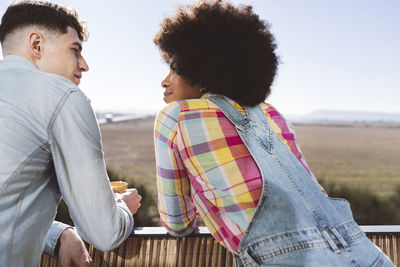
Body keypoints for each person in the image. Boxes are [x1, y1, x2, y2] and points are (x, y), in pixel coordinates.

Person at [153, 1, 394, 266]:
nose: (165, 80)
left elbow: (178, 224)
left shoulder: (177, 117)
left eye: (175, 67)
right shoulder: (273, 115)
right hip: (366, 254)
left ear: (202, 70)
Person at [0, 1, 142, 266]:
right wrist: (122, 206)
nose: (84, 65)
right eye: (75, 50)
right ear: (37, 45)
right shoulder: (63, 97)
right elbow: (103, 232)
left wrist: (57, 234)